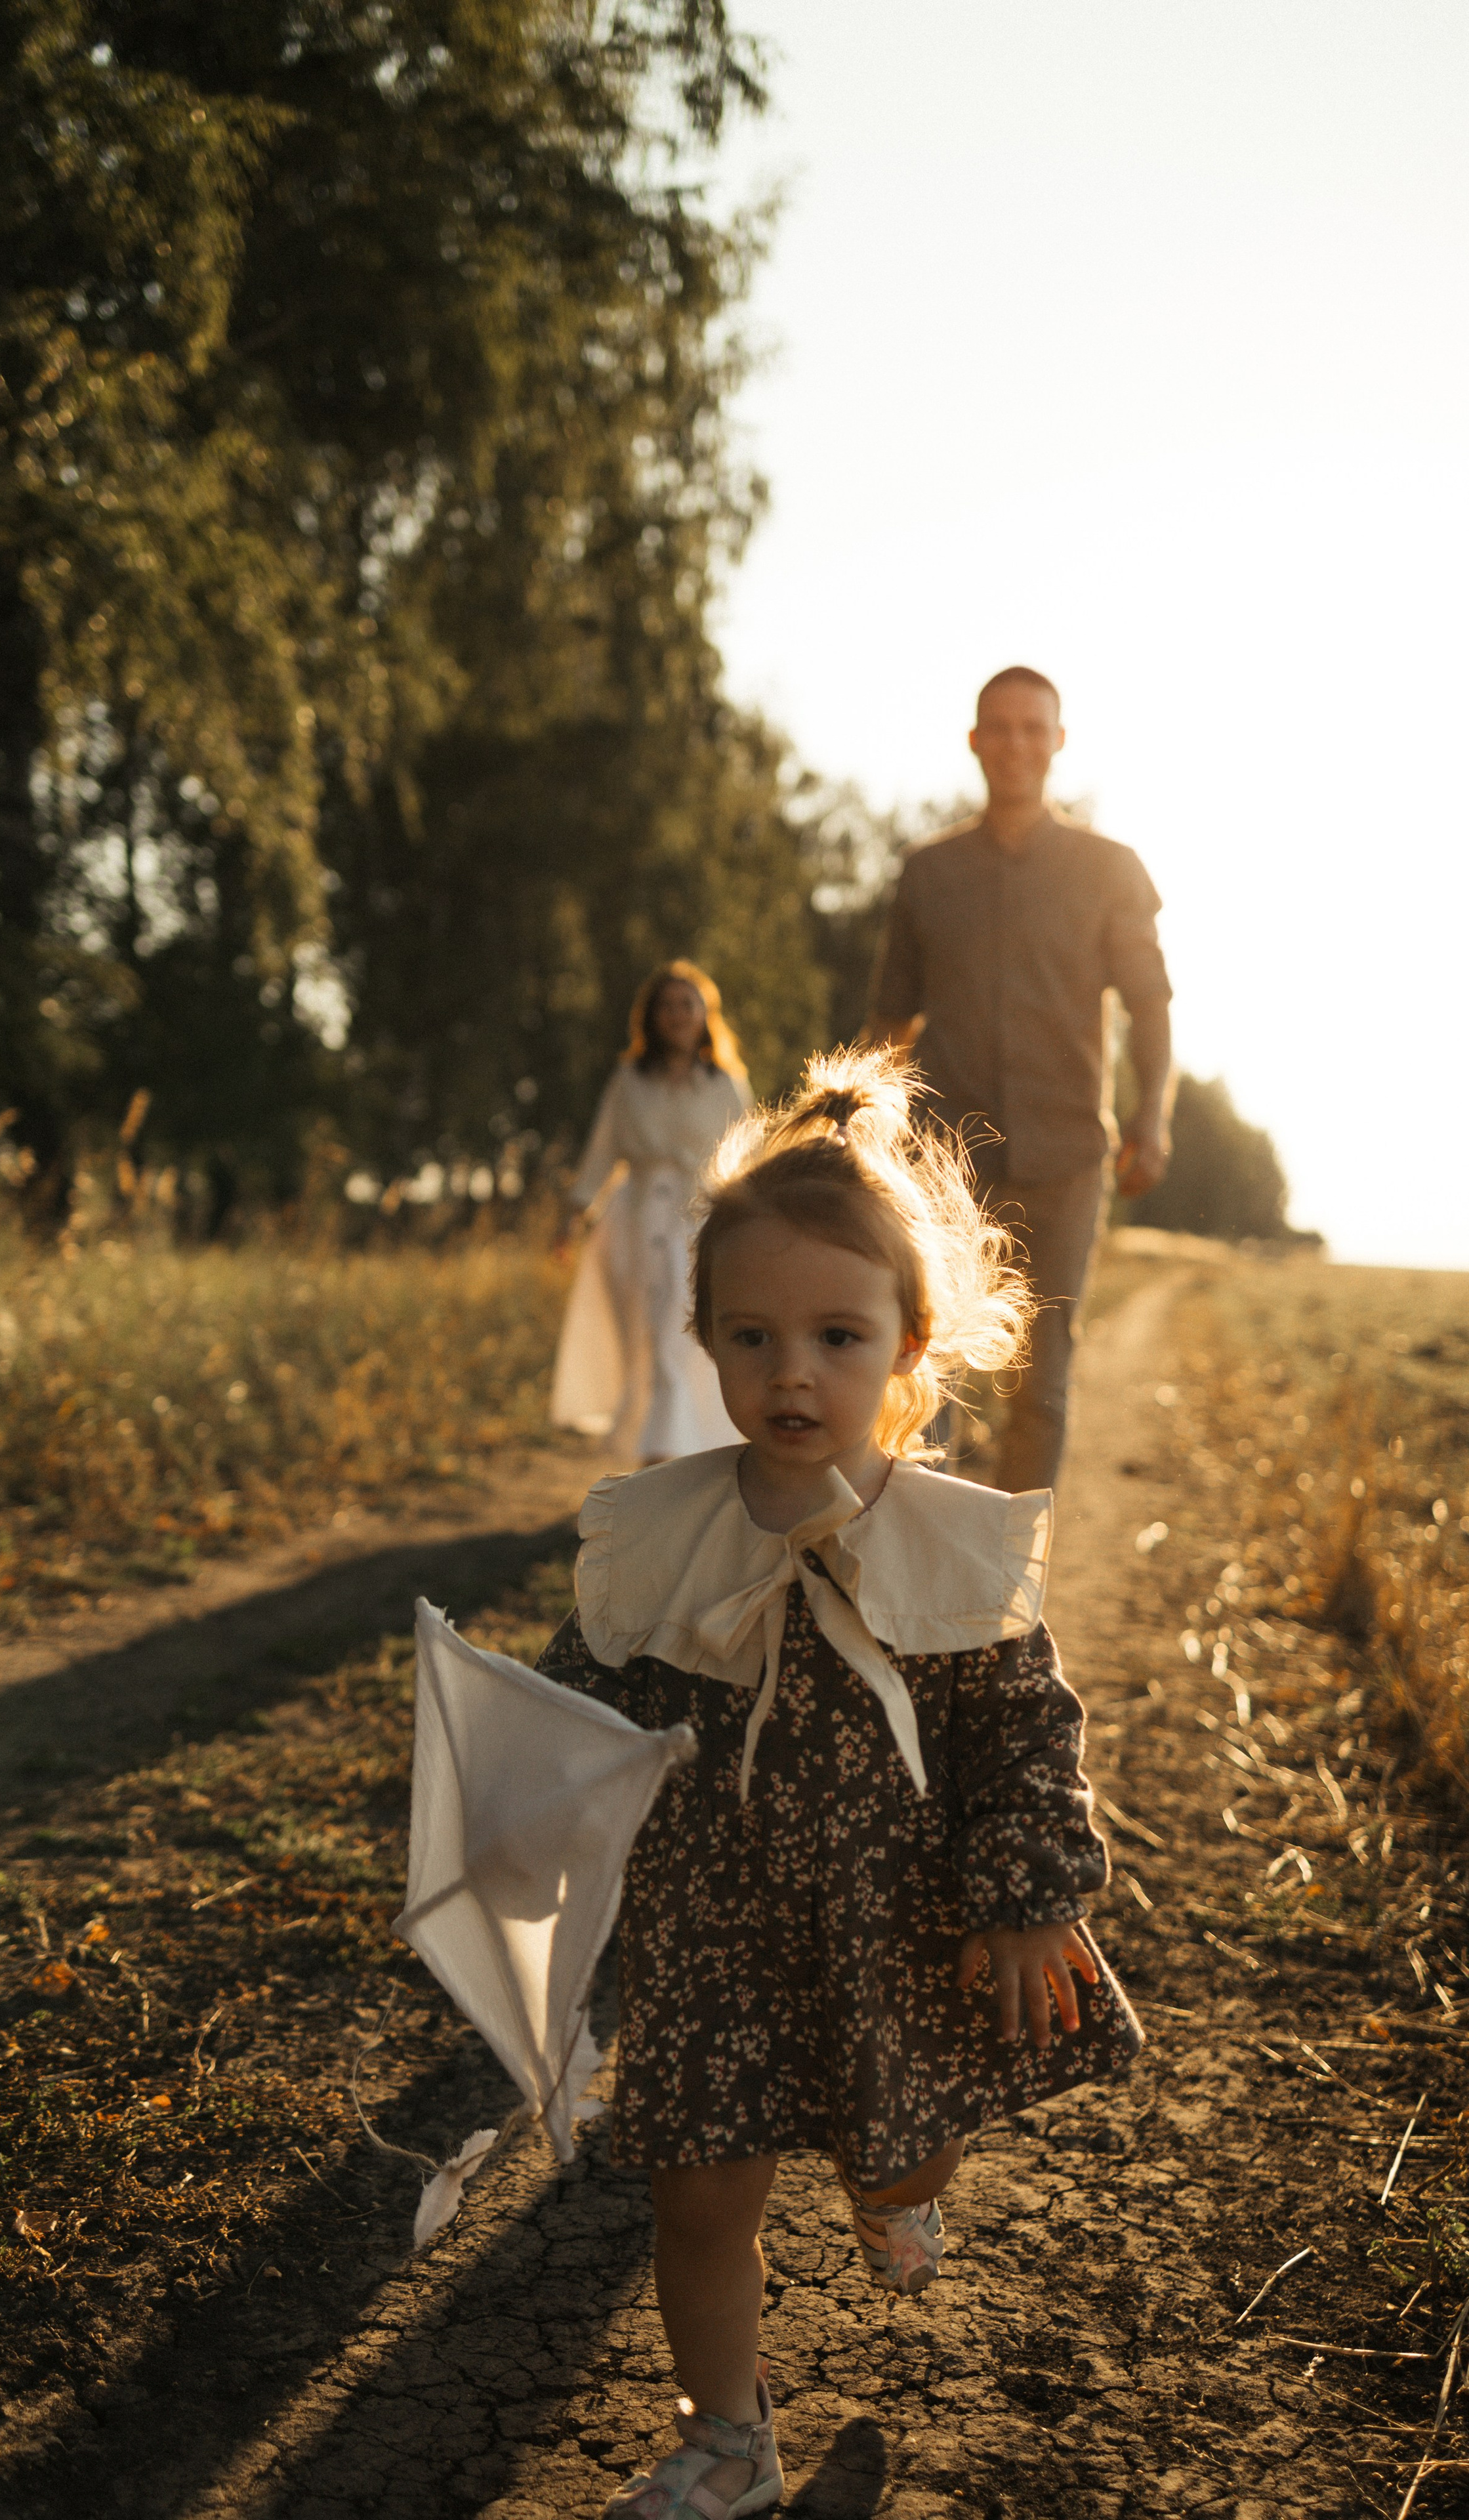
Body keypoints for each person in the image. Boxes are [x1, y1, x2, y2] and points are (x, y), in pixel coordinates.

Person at [537, 1048, 1142, 2520]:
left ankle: (896, 2194)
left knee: (907, 2144)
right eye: (750, 1336)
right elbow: (580, 1702)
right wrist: (520, 1781)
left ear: (907, 1345)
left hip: (896, 1927)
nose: (790, 1372)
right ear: (701, 1336)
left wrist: (1023, 1899)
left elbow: (1023, 1732)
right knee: (698, 2199)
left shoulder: (949, 1544)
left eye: (835, 1336)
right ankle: (726, 2443)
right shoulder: (661, 1532)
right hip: (711, 1934)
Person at [869, 665, 1174, 1492]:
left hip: (1066, 1161)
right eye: (999, 728)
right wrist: (860, 1134)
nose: (1015, 744)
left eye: (1032, 728)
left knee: (1042, 1387)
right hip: (943, 1165)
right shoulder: (928, 873)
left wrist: (1152, 1117)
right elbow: (889, 1020)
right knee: (928, 1372)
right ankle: (929, 1551)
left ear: (1058, 741)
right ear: (974, 742)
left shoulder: (1110, 868)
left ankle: (1013, 1561)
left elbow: (1149, 1005)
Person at [551, 960, 752, 1464]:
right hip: (635, 1223)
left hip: (701, 1224)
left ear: (705, 1014)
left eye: (687, 1004)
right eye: (667, 1006)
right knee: (643, 1335)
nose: (677, 1014)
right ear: (651, 1017)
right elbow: (602, 1151)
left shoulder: (726, 1084)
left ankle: (667, 1453)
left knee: (682, 1337)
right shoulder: (630, 1082)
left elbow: (750, 1161)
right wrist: (573, 1215)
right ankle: (655, 1449)